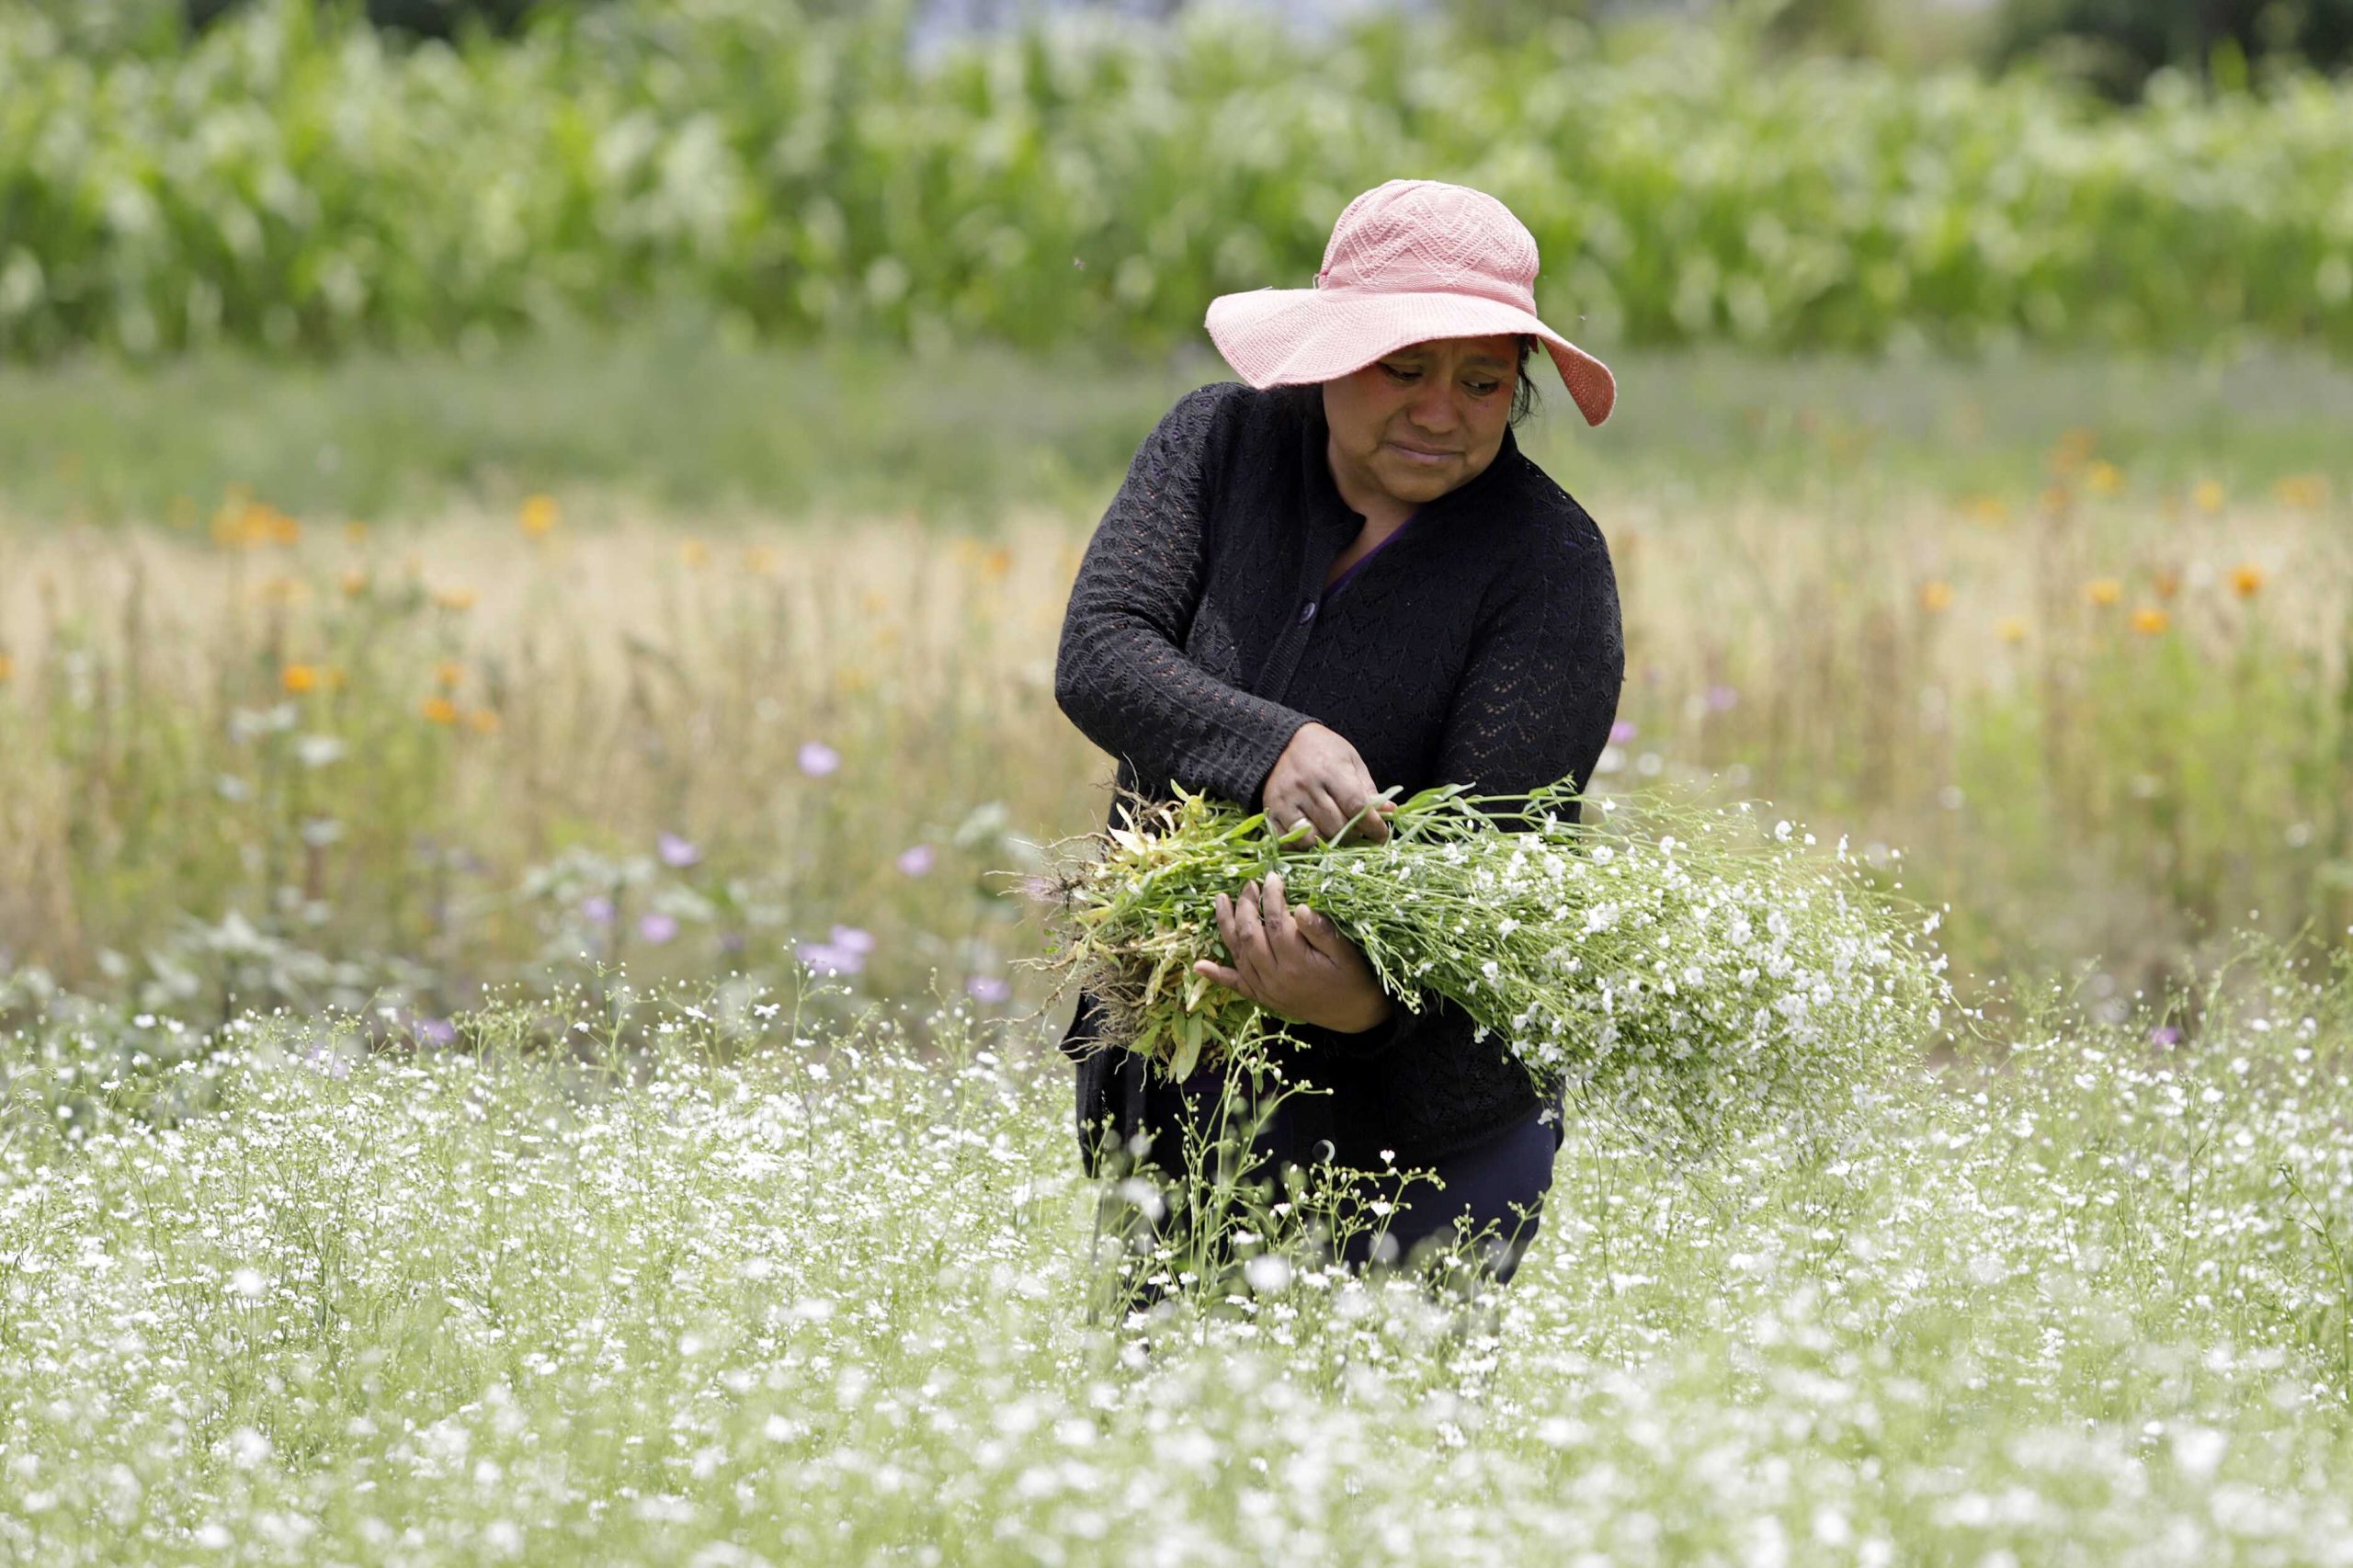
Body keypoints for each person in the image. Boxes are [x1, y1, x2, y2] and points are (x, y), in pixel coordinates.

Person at [1053, 178, 1626, 1295]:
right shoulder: (1220, 447)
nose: (1440, 409)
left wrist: (1358, 1004)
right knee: (1152, 1429)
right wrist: (1274, 746)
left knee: (1387, 1444)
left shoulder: (1548, 566)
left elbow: (1489, 871)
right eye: (1400, 368)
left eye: (1482, 380)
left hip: (1425, 1127)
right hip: (1178, 1074)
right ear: (1327, 358)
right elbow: (1102, 651)